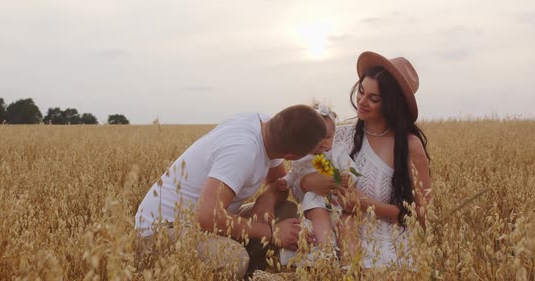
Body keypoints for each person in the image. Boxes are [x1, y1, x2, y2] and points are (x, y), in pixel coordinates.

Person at [134, 104, 328, 279]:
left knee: (284, 209)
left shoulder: (268, 127)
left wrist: (266, 200)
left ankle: (254, 271)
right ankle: (245, 266)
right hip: (163, 230)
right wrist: (271, 232)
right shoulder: (243, 151)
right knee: (235, 260)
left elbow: (278, 184)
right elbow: (206, 216)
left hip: (206, 218)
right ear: (291, 156)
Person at [298, 51, 431, 269]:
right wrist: (309, 182)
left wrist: (368, 206)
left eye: (374, 99)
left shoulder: (409, 145)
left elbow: (422, 217)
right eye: (361, 91)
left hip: (386, 240)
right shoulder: (338, 136)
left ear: (392, 104)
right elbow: (300, 179)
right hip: (333, 229)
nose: (362, 101)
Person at [275, 102, 357, 265]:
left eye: (327, 137)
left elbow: (351, 168)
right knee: (318, 216)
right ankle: (327, 250)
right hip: (315, 200)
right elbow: (294, 173)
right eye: (316, 138)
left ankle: (350, 262)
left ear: (334, 136)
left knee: (348, 224)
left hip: (337, 200)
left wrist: (348, 177)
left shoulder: (337, 152)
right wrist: (286, 181)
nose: (322, 142)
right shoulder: (302, 157)